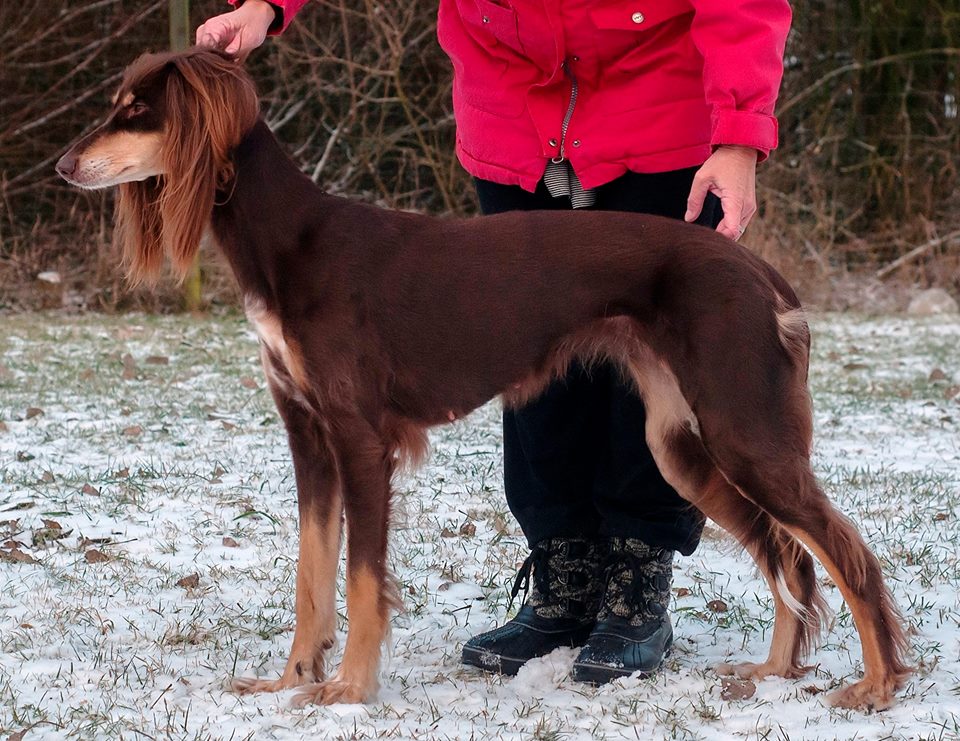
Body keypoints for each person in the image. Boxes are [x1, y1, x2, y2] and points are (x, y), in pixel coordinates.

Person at [197, 0, 792, 684]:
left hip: (655, 106)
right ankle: (563, 575)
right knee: (521, 357)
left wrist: (740, 134)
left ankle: (635, 577)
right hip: (512, 113)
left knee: (652, 383)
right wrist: (266, 6)